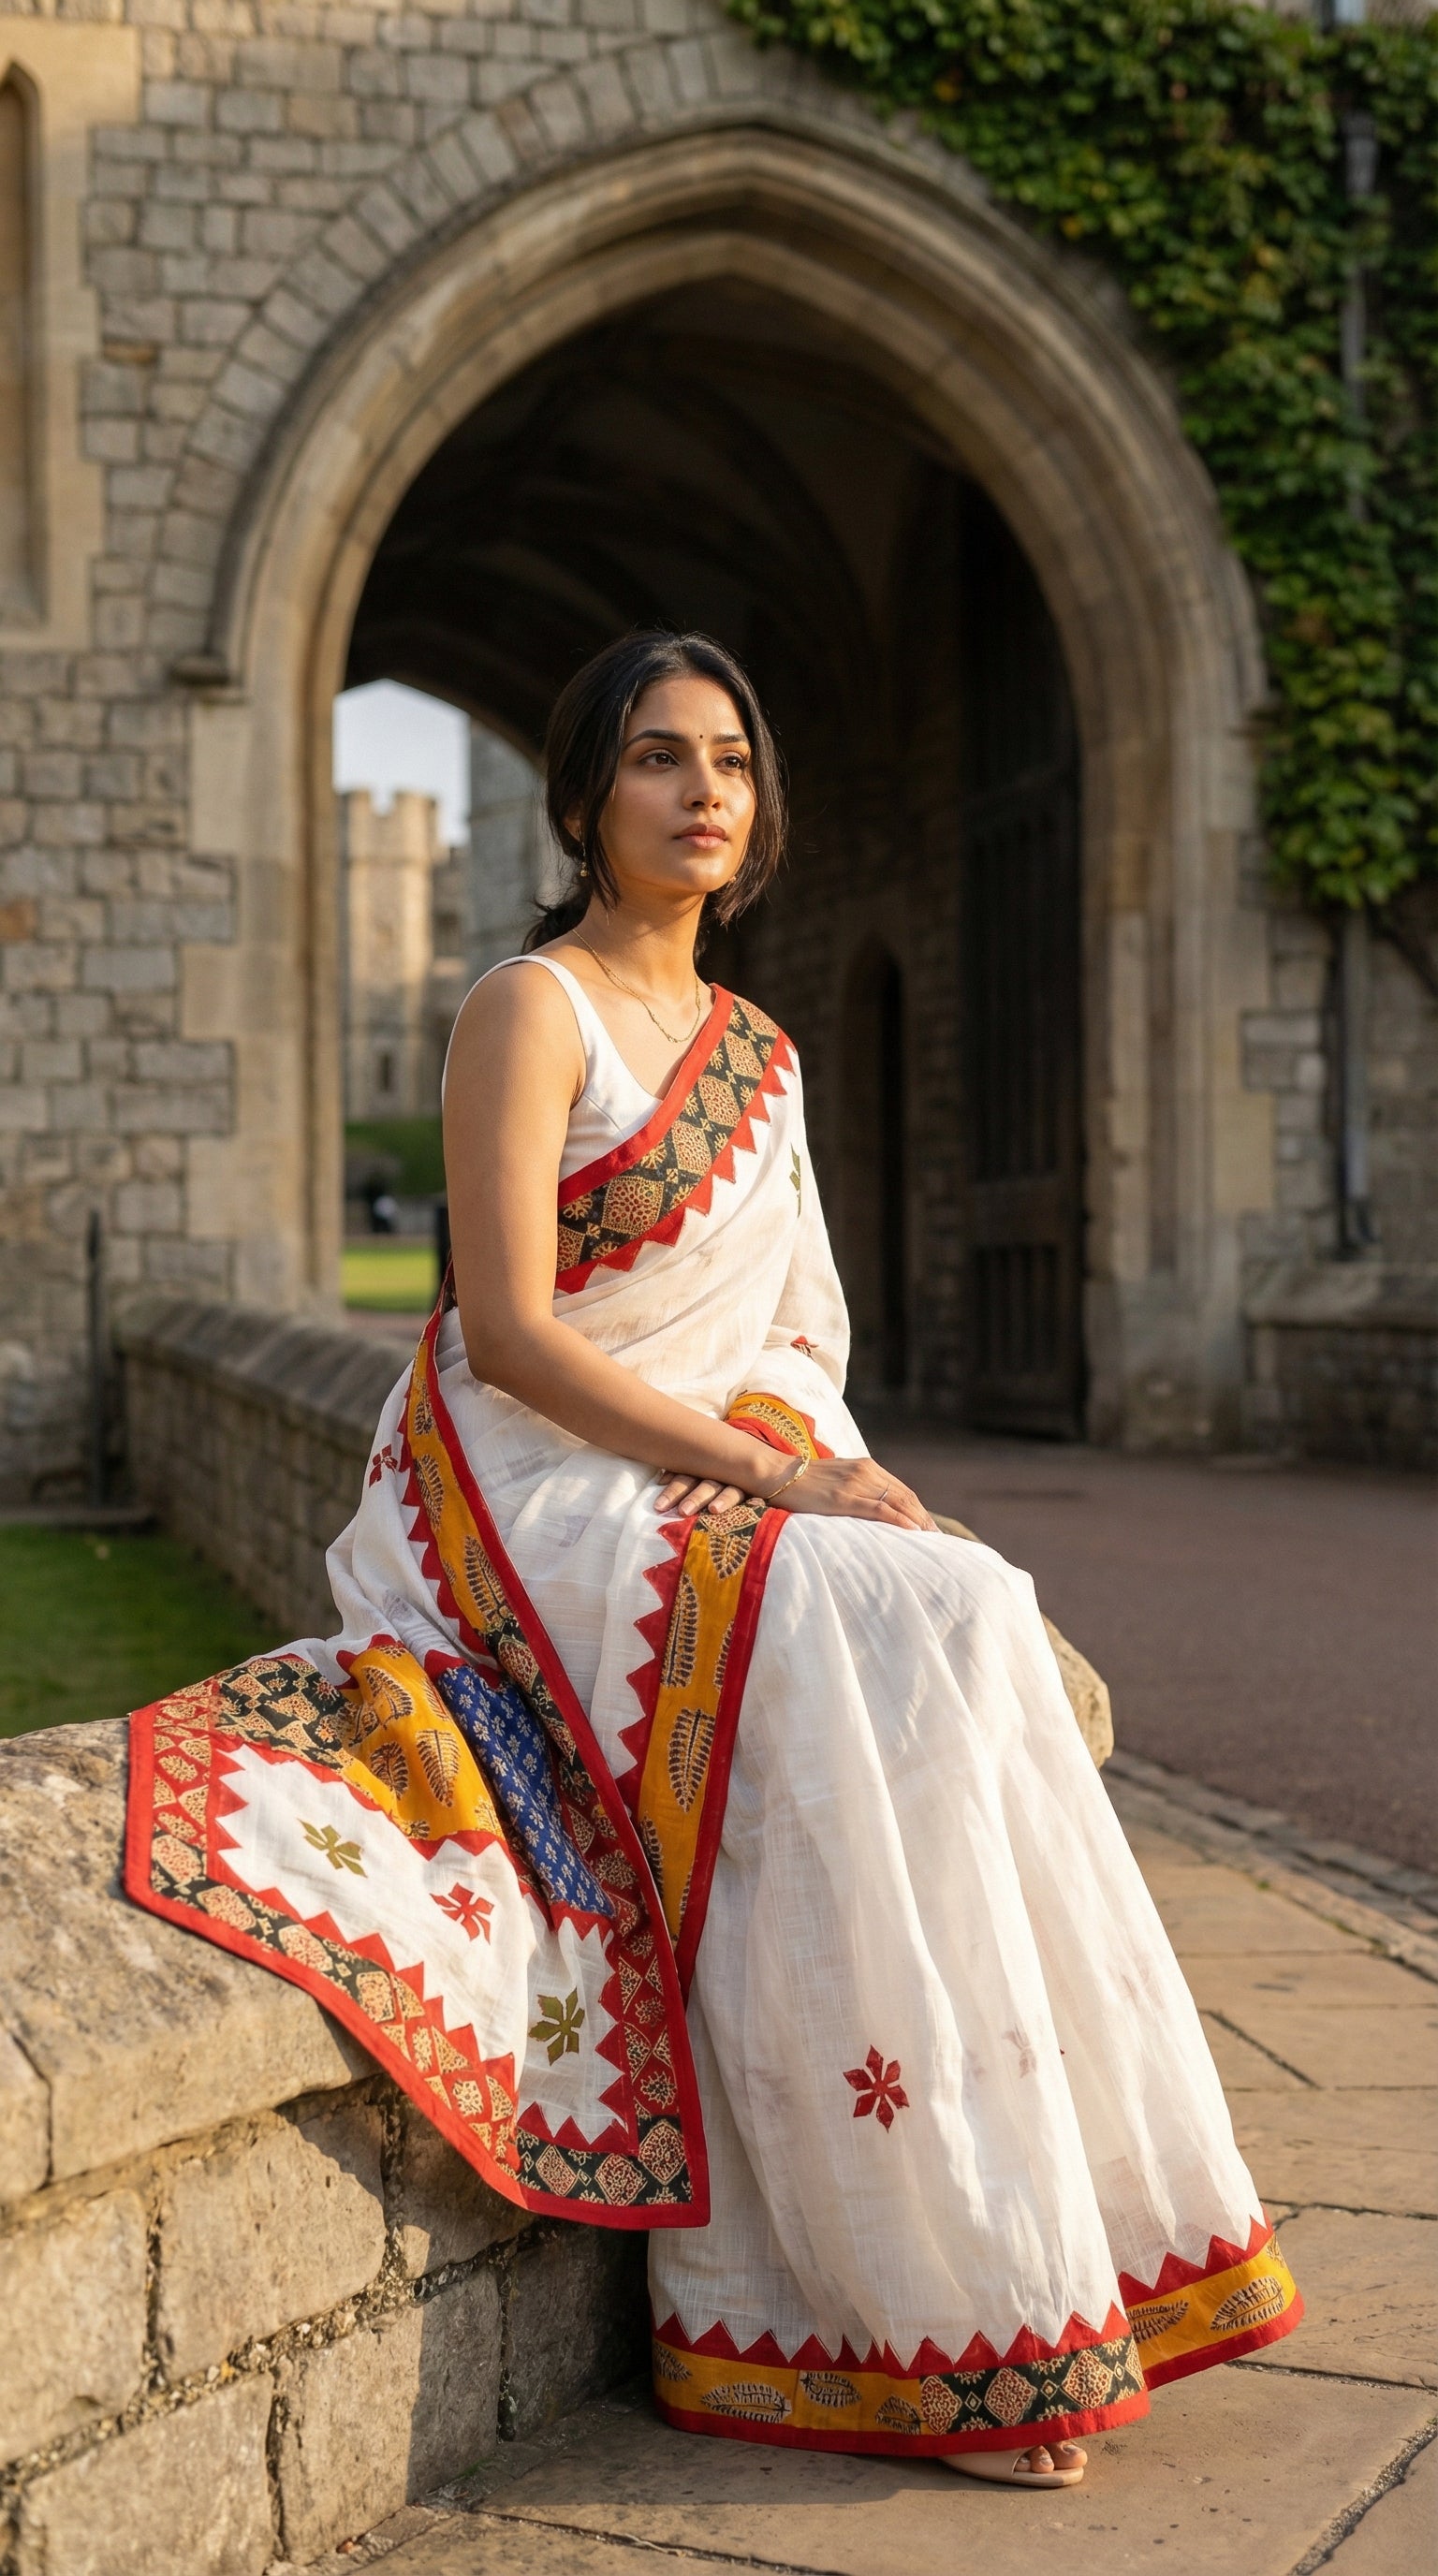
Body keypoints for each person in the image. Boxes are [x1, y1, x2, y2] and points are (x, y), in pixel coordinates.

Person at [126, 630, 1299, 2490]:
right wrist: (779, 1487)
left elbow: (795, 1337)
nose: (704, 793)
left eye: (733, 763)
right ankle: (912, 2327)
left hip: (710, 1467)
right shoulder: (533, 1004)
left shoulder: (762, 1052)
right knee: (839, 1628)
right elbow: (507, 1329)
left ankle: (1068, 2262)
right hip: (524, 1487)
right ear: (584, 797)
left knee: (969, 1603)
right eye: (662, 759)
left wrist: (842, 1471)